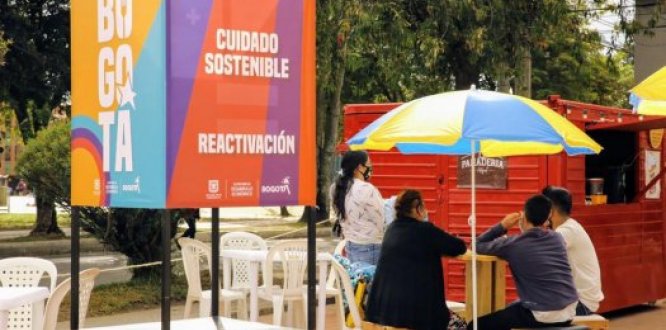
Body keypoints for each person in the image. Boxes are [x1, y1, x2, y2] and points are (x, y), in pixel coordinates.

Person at [468, 195, 578, 330]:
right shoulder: (557, 238)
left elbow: (475, 245)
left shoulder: (513, 245)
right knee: (510, 309)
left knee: (475, 326)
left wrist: (502, 225)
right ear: (546, 220)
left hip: (542, 315)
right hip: (569, 309)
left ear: (524, 217)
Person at [366, 189, 467, 330]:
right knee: (461, 326)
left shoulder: (391, 229)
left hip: (382, 313)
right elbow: (459, 247)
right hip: (416, 316)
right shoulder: (425, 230)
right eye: (424, 207)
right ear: (417, 209)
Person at [542, 186, 604, 315]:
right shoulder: (570, 226)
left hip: (580, 303)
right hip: (576, 300)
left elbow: (537, 251)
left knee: (524, 314)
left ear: (551, 210)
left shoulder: (566, 231)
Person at [331, 150, 385, 265]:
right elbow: (382, 219)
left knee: (356, 282)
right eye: (369, 164)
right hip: (371, 248)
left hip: (350, 245)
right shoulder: (367, 189)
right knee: (370, 283)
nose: (370, 168)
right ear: (360, 167)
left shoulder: (335, 188)